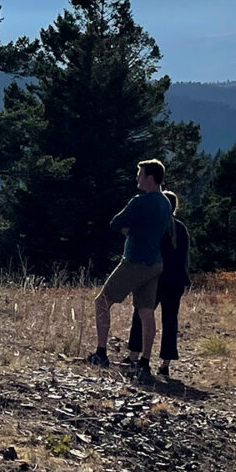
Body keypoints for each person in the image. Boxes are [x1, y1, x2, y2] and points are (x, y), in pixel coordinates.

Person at [86, 159, 172, 381]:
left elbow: (116, 222)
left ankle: (101, 353)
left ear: (149, 178)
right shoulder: (166, 203)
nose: (137, 178)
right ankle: (144, 361)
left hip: (135, 261)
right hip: (155, 262)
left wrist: (129, 230)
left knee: (102, 301)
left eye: (140, 174)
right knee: (146, 311)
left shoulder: (140, 201)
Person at [123, 189, 190, 377]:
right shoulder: (181, 229)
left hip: (155, 278)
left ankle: (135, 355)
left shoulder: (155, 227)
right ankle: (165, 363)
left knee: (141, 315)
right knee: (170, 320)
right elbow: (184, 258)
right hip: (176, 281)